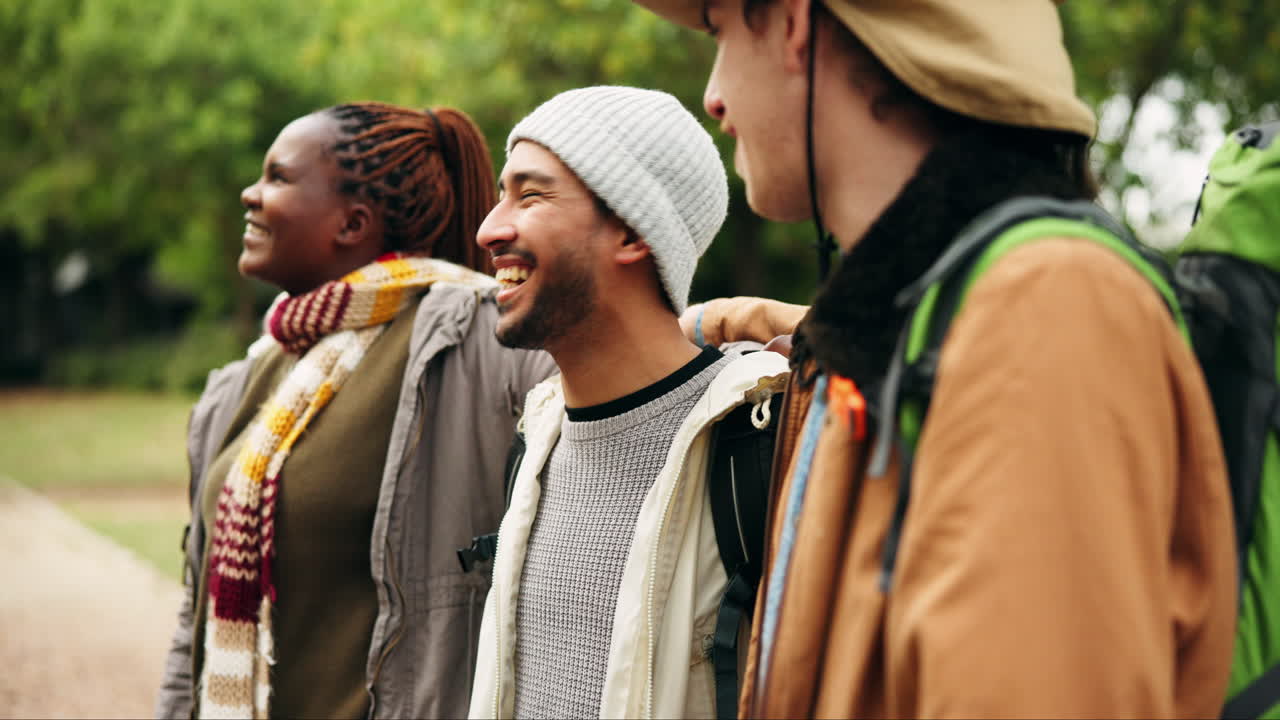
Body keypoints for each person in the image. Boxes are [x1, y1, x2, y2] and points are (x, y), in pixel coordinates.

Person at [630, 0, 1239, 717]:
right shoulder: (897, 332)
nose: (714, 95)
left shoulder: (1045, 310)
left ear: (796, 24)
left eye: (719, 31)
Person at [154, 101, 556, 719]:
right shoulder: (246, 381)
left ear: (353, 223)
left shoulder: (480, 338)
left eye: (278, 178)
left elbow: (610, 355)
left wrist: (704, 324)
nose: (250, 194)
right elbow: (195, 614)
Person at [466, 86, 789, 719]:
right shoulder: (537, 439)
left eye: (529, 196)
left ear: (633, 232)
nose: (488, 229)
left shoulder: (761, 438)